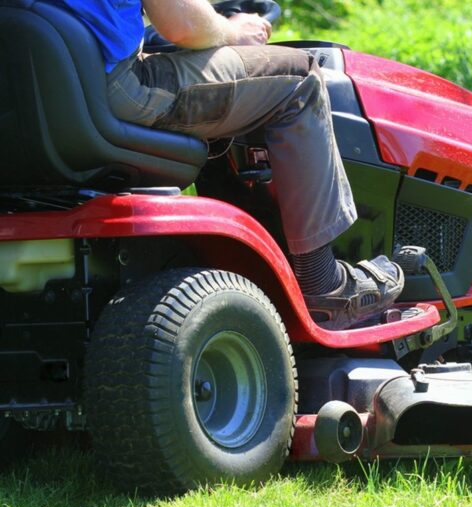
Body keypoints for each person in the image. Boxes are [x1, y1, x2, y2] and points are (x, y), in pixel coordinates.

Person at [51, 0, 404, 330]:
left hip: (41, 94)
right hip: (113, 89)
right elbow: (184, 24)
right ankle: (324, 285)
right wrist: (233, 31)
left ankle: (232, 262)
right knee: (300, 79)